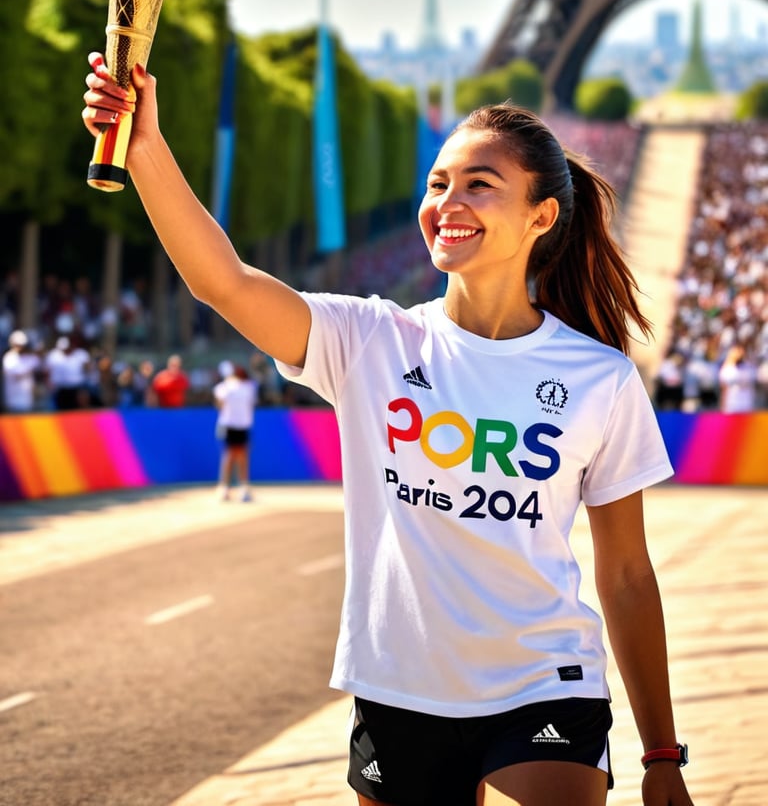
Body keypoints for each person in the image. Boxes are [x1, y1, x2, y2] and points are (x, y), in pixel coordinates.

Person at [82, 55, 695, 806]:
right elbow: (224, 281)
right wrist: (143, 145)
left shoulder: (600, 377)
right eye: (438, 183)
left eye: (479, 184)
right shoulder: (368, 338)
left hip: (545, 680)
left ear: (542, 215)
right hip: (398, 687)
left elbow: (628, 575)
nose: (448, 201)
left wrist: (661, 752)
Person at [213, 361, 258, 501]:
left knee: (231, 456)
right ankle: (234, 488)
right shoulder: (249, 387)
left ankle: (229, 488)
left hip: (234, 425)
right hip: (236, 425)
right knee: (238, 456)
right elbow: (253, 403)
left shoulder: (224, 387)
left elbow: (219, 405)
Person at [2, 330, 41, 413]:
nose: (20, 347)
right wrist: (30, 366)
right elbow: (17, 373)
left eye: (22, 345)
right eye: (17, 345)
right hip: (12, 399)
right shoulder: (9, 357)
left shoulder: (29, 357)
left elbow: (39, 364)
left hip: (27, 399)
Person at [718, 344, 758, 414]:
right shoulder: (727, 369)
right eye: (736, 353)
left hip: (746, 404)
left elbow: (754, 382)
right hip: (732, 404)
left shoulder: (749, 367)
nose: (738, 355)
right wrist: (723, 406)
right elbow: (724, 389)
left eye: (740, 352)